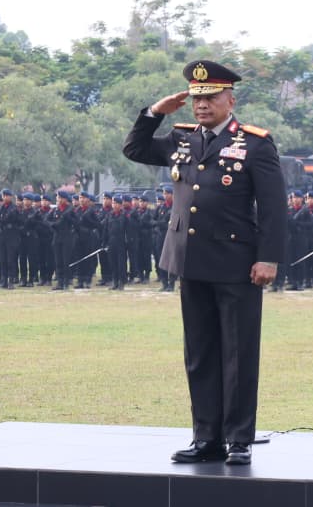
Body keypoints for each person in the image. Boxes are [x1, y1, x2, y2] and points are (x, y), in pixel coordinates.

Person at [123, 59, 287, 466]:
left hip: (236, 263)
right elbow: (135, 149)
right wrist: (155, 113)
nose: (201, 106)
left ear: (230, 99)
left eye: (210, 98)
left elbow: (273, 207)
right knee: (199, 354)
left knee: (238, 354)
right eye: (196, 99)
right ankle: (206, 438)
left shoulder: (254, 143)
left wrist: (269, 258)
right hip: (191, 262)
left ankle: (238, 440)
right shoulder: (180, 138)